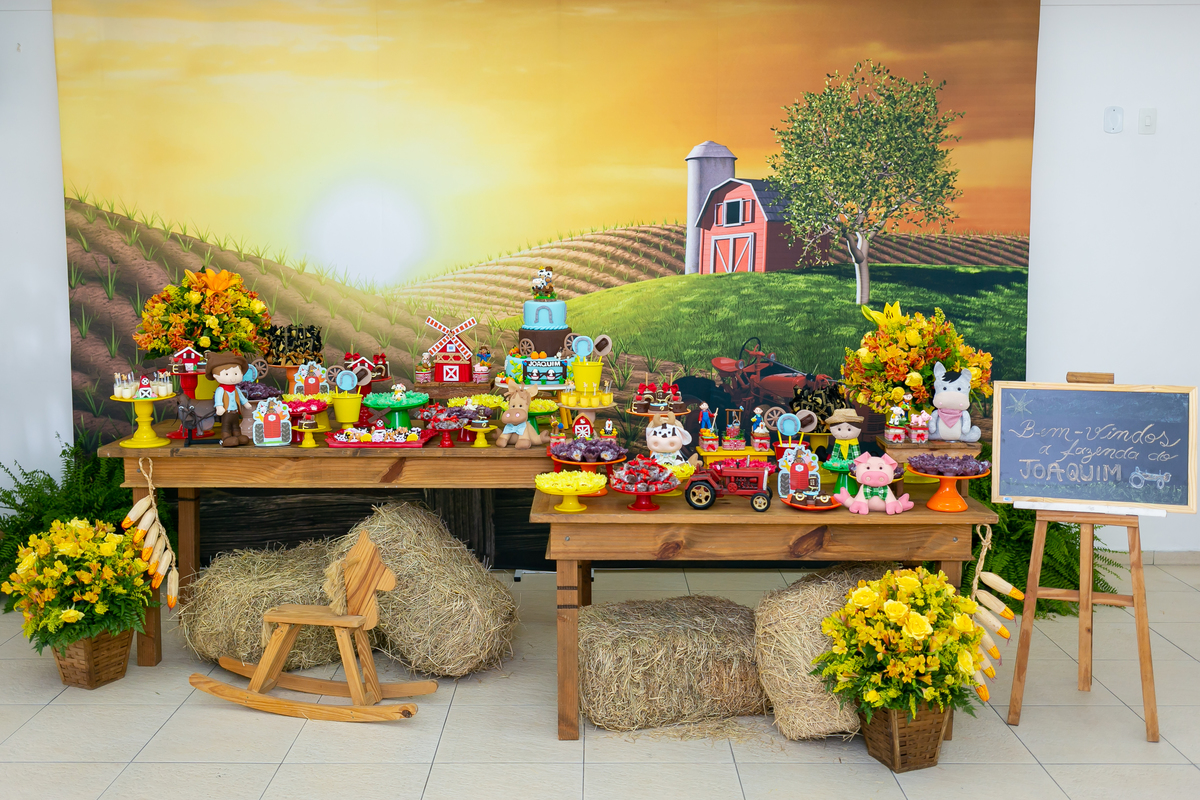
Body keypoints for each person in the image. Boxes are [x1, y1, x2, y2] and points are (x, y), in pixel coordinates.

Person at [207, 352, 252, 447]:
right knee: (226, 426)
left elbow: (241, 397)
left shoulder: (236, 389)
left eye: (236, 373)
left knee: (236, 425)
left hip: (235, 413)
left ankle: (238, 436)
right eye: (227, 374)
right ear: (215, 376)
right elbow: (218, 398)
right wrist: (219, 406)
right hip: (226, 412)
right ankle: (226, 437)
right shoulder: (221, 389)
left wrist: (246, 403)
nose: (232, 378)